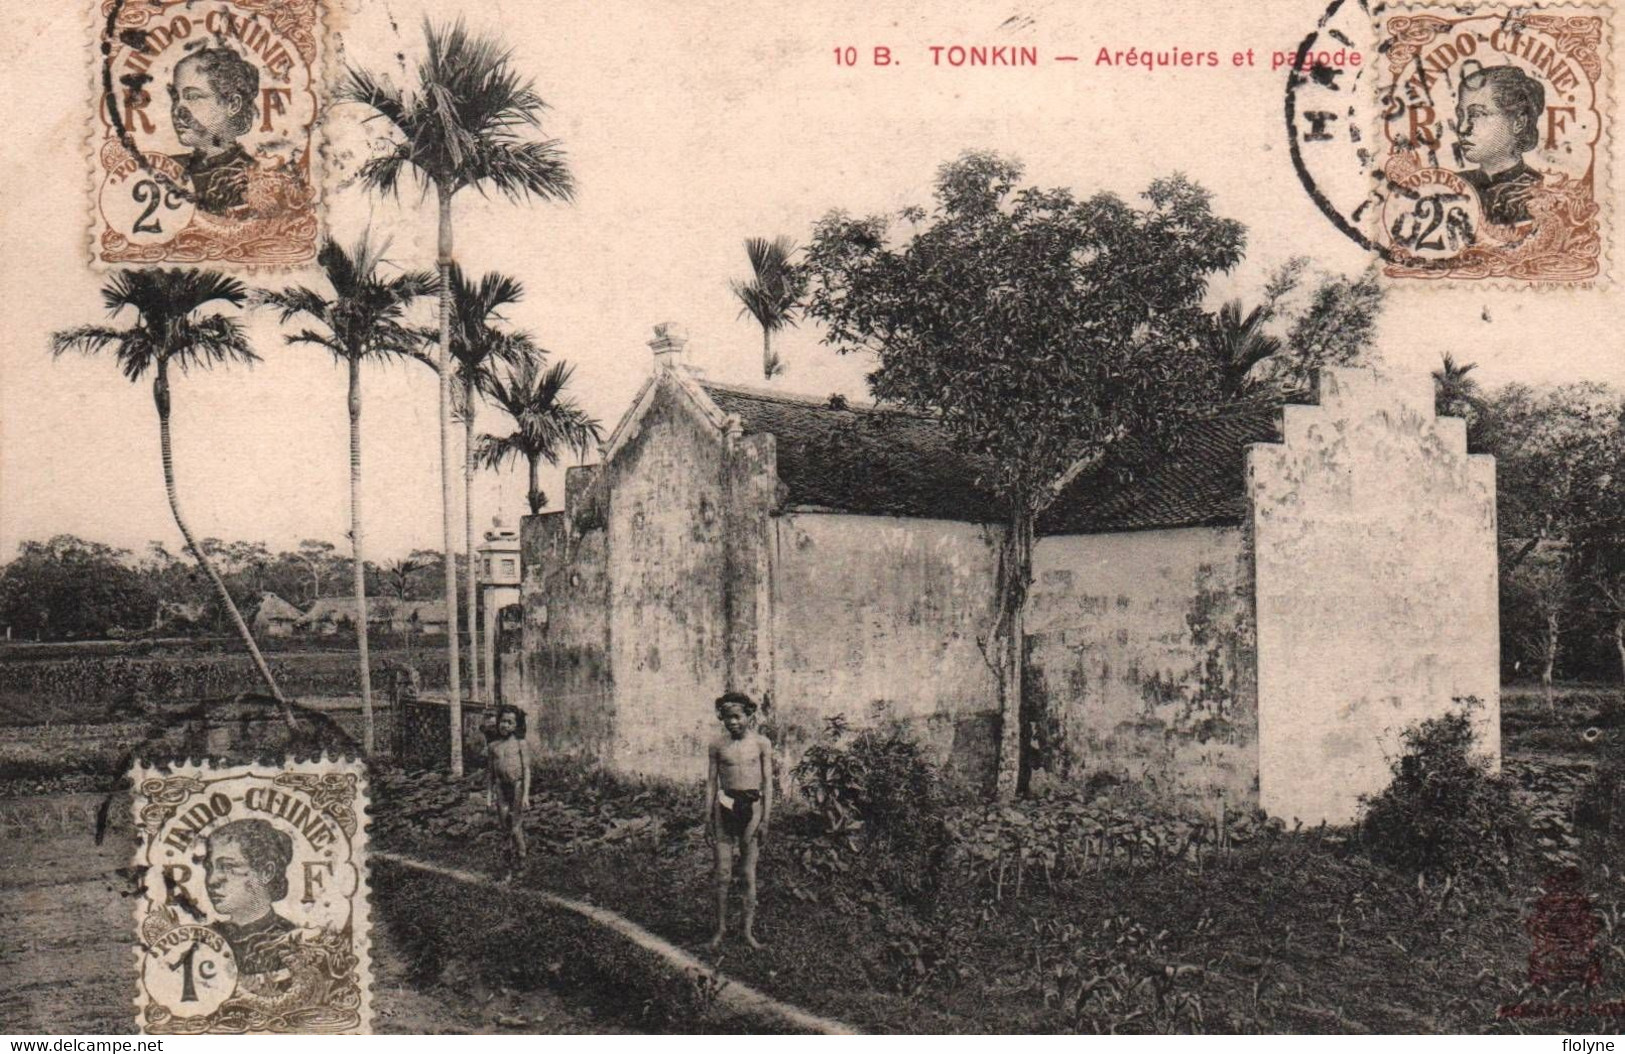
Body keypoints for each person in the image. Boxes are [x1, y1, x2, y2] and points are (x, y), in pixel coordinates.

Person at [706, 691, 773, 949]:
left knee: (747, 872)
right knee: (722, 873)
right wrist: (707, 818)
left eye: (737, 716)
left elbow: (768, 783)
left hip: (752, 809)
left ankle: (747, 932)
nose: (732, 722)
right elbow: (711, 783)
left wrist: (766, 819)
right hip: (725, 808)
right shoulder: (717, 745)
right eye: (726, 718)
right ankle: (720, 930)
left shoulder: (761, 744)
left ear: (749, 715)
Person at [203, 819, 295, 990]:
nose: (212, 880)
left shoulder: (295, 943)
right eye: (210, 868)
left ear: (266, 873)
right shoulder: (203, 941)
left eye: (228, 867)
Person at [167, 45, 260, 214]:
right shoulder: (165, 168)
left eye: (193, 97)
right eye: (175, 97)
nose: (177, 111)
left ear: (233, 104)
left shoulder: (257, 179)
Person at [1453, 64, 1545, 226]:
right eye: (1461, 115)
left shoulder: (1543, 192)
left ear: (1518, 122)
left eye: (1477, 114)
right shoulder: (1452, 186)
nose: (1462, 128)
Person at [486, 705, 532, 879]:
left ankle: (521, 861)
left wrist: (526, 795)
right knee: (504, 827)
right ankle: (507, 867)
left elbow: (526, 769)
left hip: (517, 786)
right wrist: (489, 796)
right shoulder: (493, 746)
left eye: (509, 722)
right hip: (501, 787)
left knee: (515, 827)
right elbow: (490, 772)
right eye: (502, 721)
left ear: (516, 725)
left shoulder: (520, 744)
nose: (504, 725)